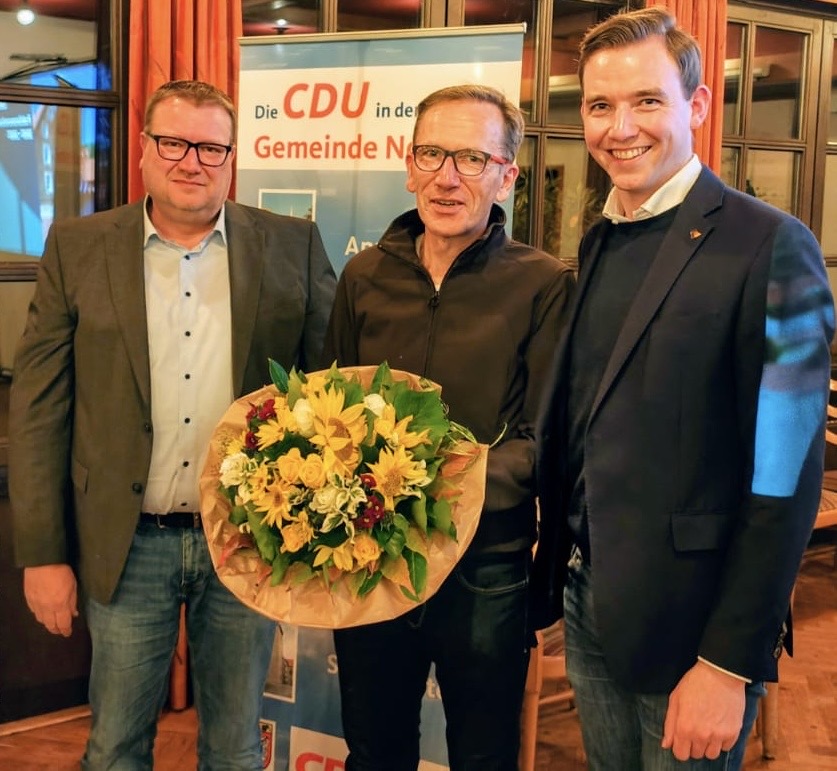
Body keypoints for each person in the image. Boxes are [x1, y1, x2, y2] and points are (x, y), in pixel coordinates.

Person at [531, 8, 835, 770]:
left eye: (646, 101)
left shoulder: (771, 245)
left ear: (696, 107)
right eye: (599, 105)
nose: (618, 126)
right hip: (592, 599)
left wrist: (728, 663)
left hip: (694, 629)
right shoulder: (601, 235)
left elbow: (784, 478)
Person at [9, 79, 336, 769]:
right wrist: (42, 551)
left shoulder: (292, 246)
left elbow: (329, 397)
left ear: (231, 156)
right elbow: (39, 408)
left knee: (236, 743)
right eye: (174, 142)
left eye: (211, 146)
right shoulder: (78, 247)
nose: (193, 160)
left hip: (245, 540)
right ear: (144, 151)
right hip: (127, 544)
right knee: (116, 744)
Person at [322, 83, 575, 771]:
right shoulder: (362, 276)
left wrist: (425, 478)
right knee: (372, 749)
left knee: (484, 754)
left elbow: (543, 440)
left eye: (470, 157)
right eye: (431, 154)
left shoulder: (543, 284)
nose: (446, 176)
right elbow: (326, 415)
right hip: (372, 563)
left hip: (485, 571)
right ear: (408, 166)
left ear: (506, 175)